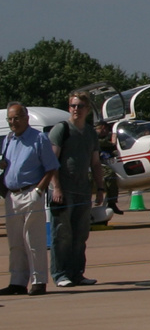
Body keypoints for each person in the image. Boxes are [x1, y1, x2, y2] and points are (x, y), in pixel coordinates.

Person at [47, 93, 103, 287]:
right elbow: (52, 162)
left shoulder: (90, 133)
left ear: (88, 109)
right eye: (73, 106)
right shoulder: (61, 130)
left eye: (80, 106)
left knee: (80, 235)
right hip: (62, 191)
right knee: (62, 234)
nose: (76, 109)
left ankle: (77, 273)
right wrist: (57, 188)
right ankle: (60, 273)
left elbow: (95, 163)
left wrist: (100, 188)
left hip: (83, 190)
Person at [4, 102, 59, 295]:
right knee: (15, 241)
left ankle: (38, 280)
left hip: (30, 193)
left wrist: (39, 190)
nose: (13, 122)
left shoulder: (39, 139)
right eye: (10, 119)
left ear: (26, 118)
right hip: (12, 195)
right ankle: (17, 281)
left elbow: (51, 166)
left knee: (33, 240)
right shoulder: (9, 140)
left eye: (17, 118)